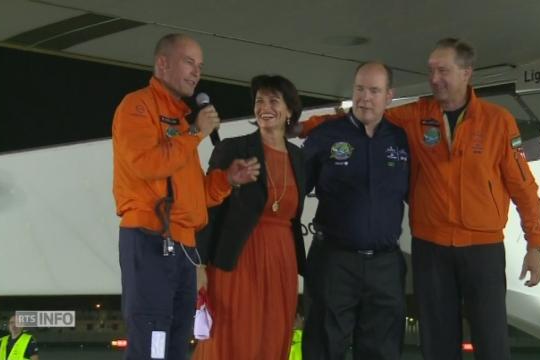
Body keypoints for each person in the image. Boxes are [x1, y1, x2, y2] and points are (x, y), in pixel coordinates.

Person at [297, 38, 540, 360]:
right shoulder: (414, 116)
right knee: (437, 344)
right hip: (432, 249)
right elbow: (365, 115)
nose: (434, 79)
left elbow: (524, 187)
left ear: (466, 73)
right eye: (431, 71)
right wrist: (313, 125)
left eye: (442, 70)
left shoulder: (498, 121)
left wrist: (535, 244)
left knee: (492, 341)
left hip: (482, 248)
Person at [112, 33, 260, 360]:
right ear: (162, 63)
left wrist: (227, 180)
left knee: (179, 338)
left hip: (184, 247)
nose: (196, 72)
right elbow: (146, 165)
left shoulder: (181, 119)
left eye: (200, 66)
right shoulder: (137, 106)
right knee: (153, 336)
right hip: (150, 238)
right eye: (189, 62)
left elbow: (192, 197)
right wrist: (194, 133)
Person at [192, 75, 306, 360]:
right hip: (237, 259)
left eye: (273, 101)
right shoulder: (232, 149)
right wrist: (198, 263)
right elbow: (208, 208)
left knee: (273, 337)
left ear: (290, 110)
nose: (264, 107)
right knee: (233, 338)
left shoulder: (300, 159)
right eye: (259, 101)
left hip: (283, 261)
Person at [301, 62, 409, 359]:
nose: (365, 98)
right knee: (323, 347)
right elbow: (292, 193)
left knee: (383, 351)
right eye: (359, 89)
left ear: (389, 96)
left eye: (374, 90)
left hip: (385, 267)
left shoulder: (402, 140)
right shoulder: (324, 136)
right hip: (334, 263)